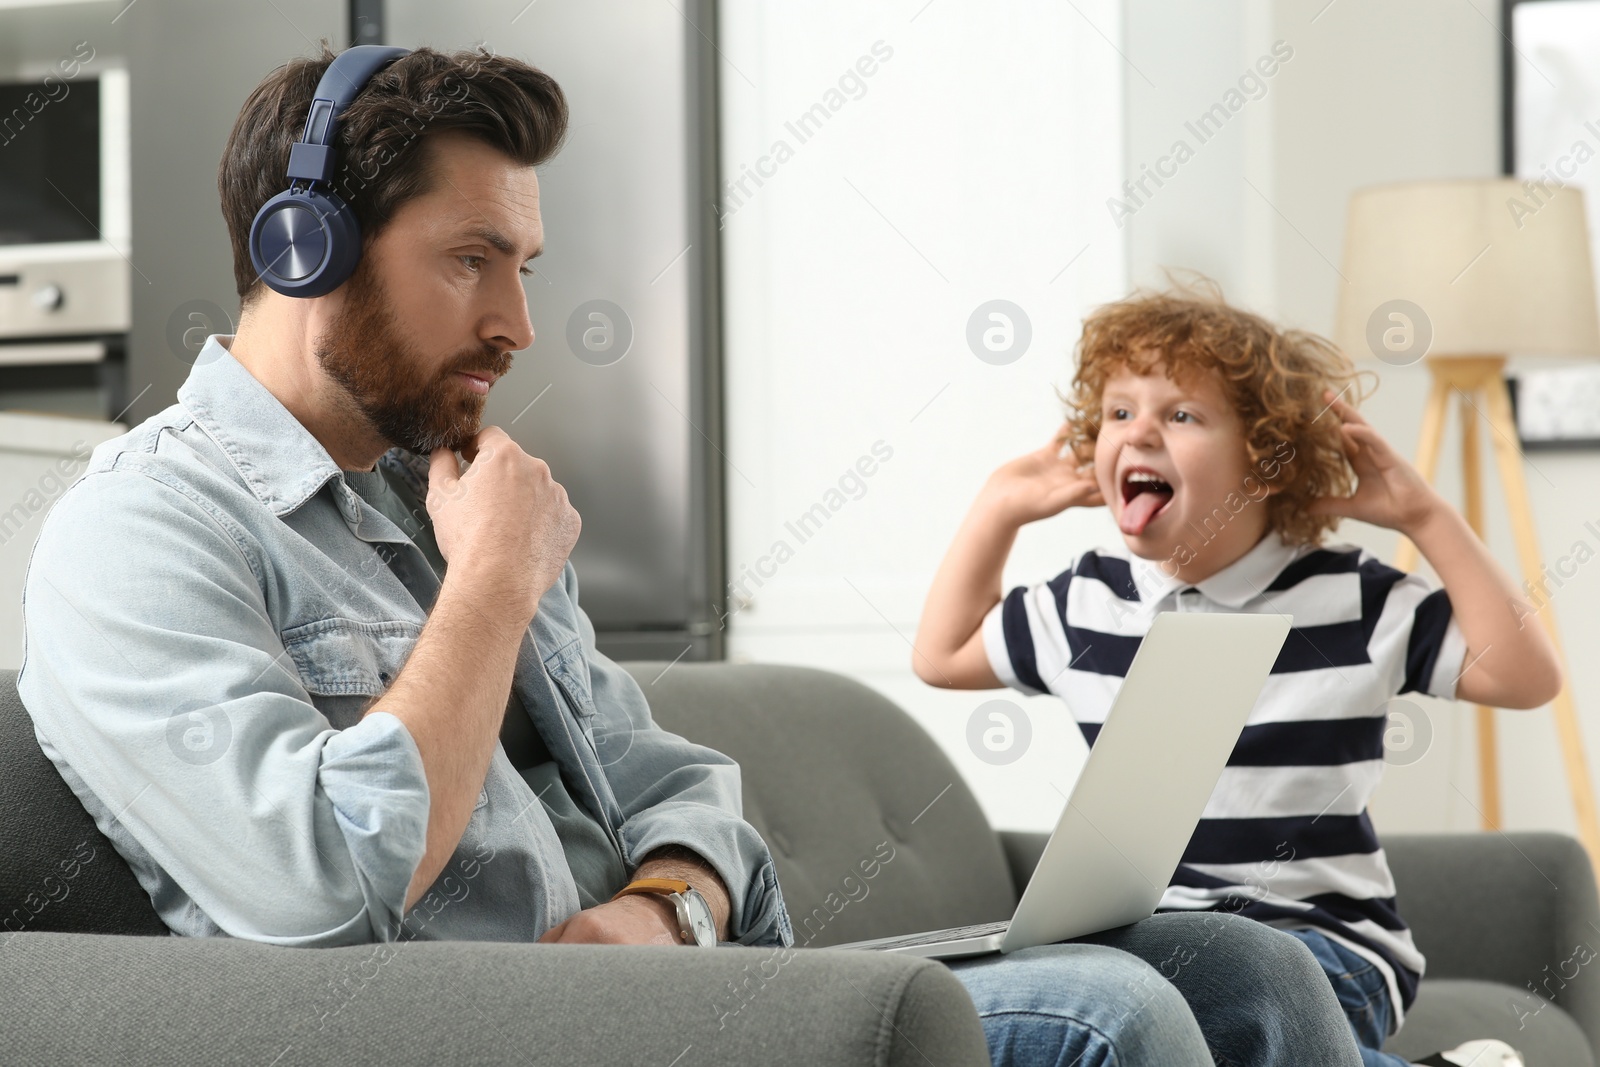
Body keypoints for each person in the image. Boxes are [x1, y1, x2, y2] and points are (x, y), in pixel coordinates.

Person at [17, 44, 1361, 1066]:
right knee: (1105, 1008)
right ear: (300, 250)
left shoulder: (449, 495)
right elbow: (313, 884)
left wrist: (665, 910)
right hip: (491, 1030)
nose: (517, 324)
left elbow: (692, 789)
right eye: (471, 261)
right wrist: (489, 584)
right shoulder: (140, 534)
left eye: (524, 266)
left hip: (682, 985)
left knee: (1244, 964)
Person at [913, 283, 1551, 1067]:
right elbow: (941, 656)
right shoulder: (1086, 603)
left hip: (1322, 943)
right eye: (1118, 412)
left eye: (1180, 415)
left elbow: (1525, 676)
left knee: (1245, 987)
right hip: (1145, 946)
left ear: (1266, 457)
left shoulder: (1350, 596)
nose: (1138, 430)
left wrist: (1426, 518)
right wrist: (999, 507)